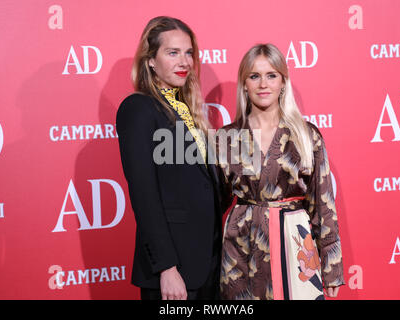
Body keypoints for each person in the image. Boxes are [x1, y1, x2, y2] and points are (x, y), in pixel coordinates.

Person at [216, 44, 345, 300]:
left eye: (271, 75)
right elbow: (212, 204)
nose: (263, 83)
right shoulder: (226, 138)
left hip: (295, 243)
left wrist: (332, 267)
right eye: (254, 76)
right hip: (241, 248)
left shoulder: (306, 135)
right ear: (244, 84)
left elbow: (323, 205)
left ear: (283, 82)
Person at [116, 16, 222, 300]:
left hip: (208, 262)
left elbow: (206, 187)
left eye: (188, 53)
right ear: (150, 60)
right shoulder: (139, 108)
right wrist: (166, 267)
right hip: (173, 272)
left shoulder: (188, 110)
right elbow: (144, 193)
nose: (184, 62)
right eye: (172, 52)